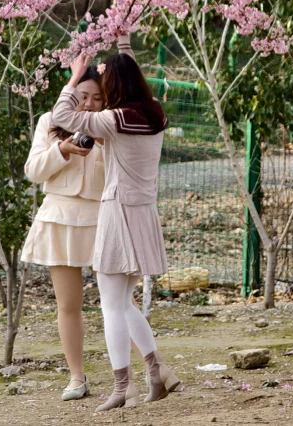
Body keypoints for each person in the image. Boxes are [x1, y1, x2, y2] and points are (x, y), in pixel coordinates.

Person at [52, 40, 180, 411]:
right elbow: (129, 75)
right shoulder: (154, 113)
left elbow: (64, 114)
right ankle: (155, 375)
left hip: (118, 211)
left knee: (111, 304)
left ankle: (123, 387)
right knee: (123, 302)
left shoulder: (114, 120)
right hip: (143, 213)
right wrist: (124, 46)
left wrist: (75, 78)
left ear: (115, 88)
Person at [22, 66, 106, 400]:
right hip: (59, 217)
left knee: (117, 303)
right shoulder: (49, 122)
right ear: (70, 95)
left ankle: (141, 372)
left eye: (98, 98)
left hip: (103, 219)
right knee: (68, 305)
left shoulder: (111, 125)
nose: (89, 104)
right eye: (83, 96)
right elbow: (33, 170)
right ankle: (77, 378)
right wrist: (63, 150)